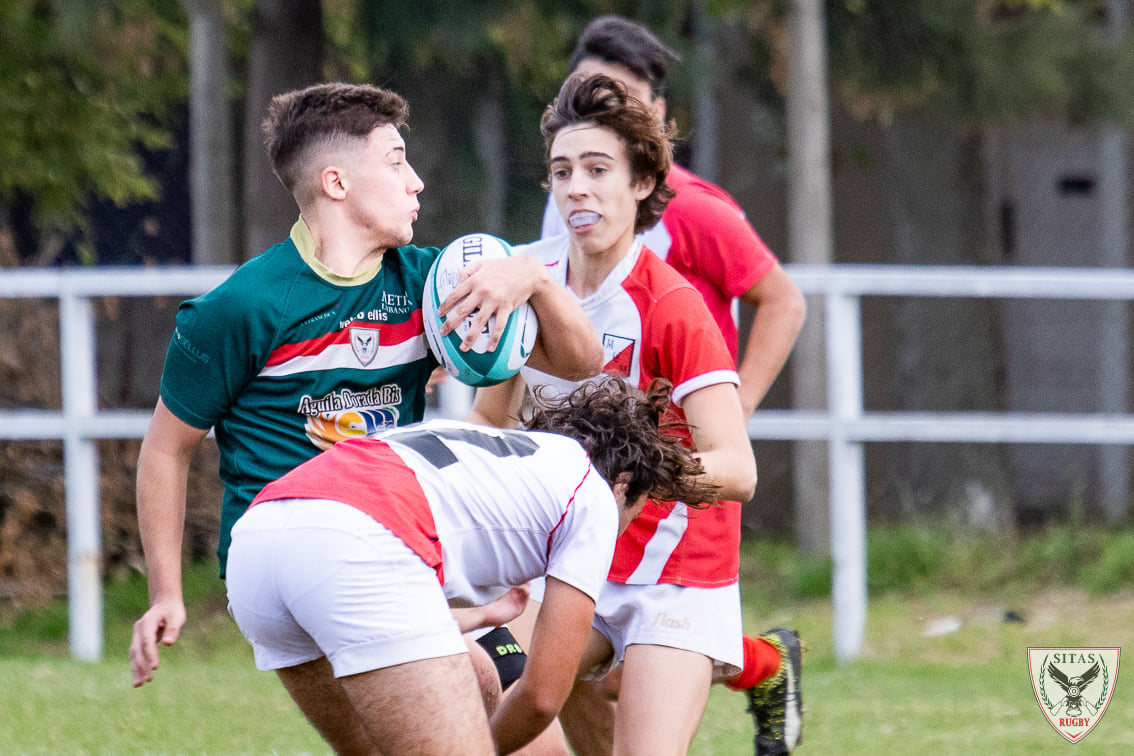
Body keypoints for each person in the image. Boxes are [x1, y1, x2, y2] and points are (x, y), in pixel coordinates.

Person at [129, 81, 603, 690]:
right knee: (480, 696)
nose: (417, 183)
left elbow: (581, 362)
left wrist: (531, 278)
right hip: (292, 559)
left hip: (397, 543)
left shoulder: (432, 285)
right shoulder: (242, 308)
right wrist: (166, 593)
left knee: (509, 703)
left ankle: (466, 625)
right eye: (396, 162)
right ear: (336, 183)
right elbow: (167, 449)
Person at [537, 17, 807, 755]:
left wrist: (735, 406)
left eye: (622, 99)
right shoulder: (559, 223)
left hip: (680, 490)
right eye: (586, 96)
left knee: (650, 659)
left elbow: (783, 300)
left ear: (653, 118)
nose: (580, 182)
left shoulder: (691, 212)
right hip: (591, 501)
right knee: (558, 677)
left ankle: (766, 663)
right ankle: (760, 661)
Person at [470, 73, 759, 756]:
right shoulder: (525, 284)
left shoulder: (670, 305)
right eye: (562, 170)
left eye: (598, 169)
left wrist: (629, 474)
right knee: (490, 682)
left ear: (641, 183)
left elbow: (738, 469)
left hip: (676, 571)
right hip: (575, 560)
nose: (576, 187)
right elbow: (487, 427)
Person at [224, 376, 720, 755]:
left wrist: (479, 619)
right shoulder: (591, 494)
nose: (625, 527)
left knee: (479, 678)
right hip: (356, 546)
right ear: (623, 483)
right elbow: (543, 695)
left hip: (258, 540)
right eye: (636, 511)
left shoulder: (484, 449)